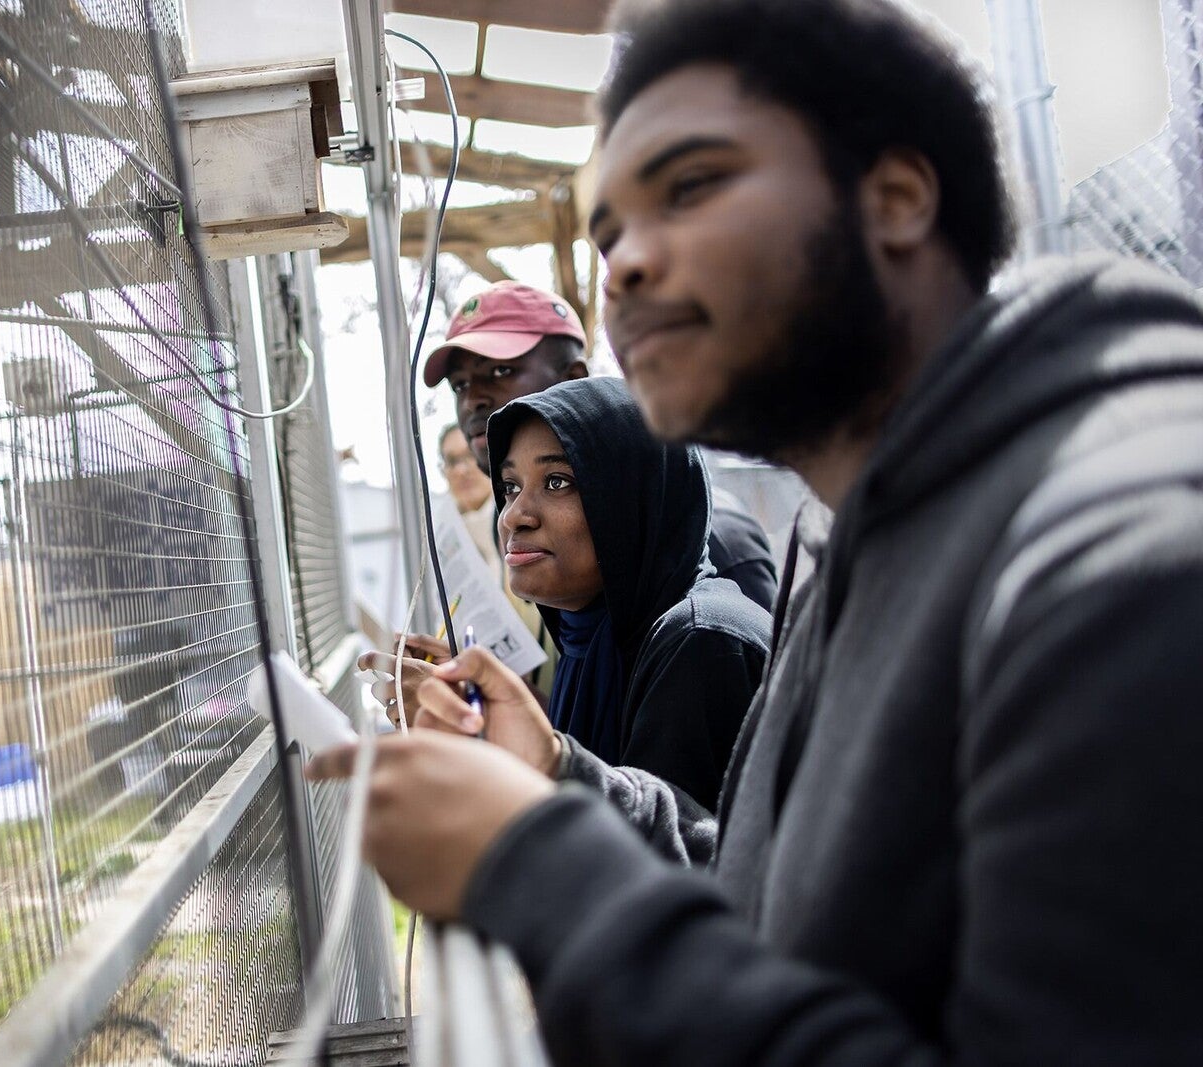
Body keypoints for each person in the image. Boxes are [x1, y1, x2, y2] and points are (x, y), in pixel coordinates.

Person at [309, 0, 1203, 1063]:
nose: (625, 264)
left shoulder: (1125, 566)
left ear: (896, 197)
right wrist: (561, 775)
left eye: (691, 185)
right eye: (606, 231)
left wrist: (536, 865)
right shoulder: (853, 533)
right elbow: (775, 899)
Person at [487, 376, 767, 810]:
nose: (514, 516)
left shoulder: (702, 642)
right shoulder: (591, 638)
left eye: (557, 481)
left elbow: (660, 863)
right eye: (510, 486)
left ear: (634, 496)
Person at [424, 279, 777, 611]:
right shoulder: (513, 526)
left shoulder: (705, 541)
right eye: (458, 385)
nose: (472, 400)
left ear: (573, 378)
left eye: (500, 371)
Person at [438, 423, 498, 568]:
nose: (461, 470)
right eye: (452, 461)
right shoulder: (436, 537)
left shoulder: (516, 520)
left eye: (471, 455)